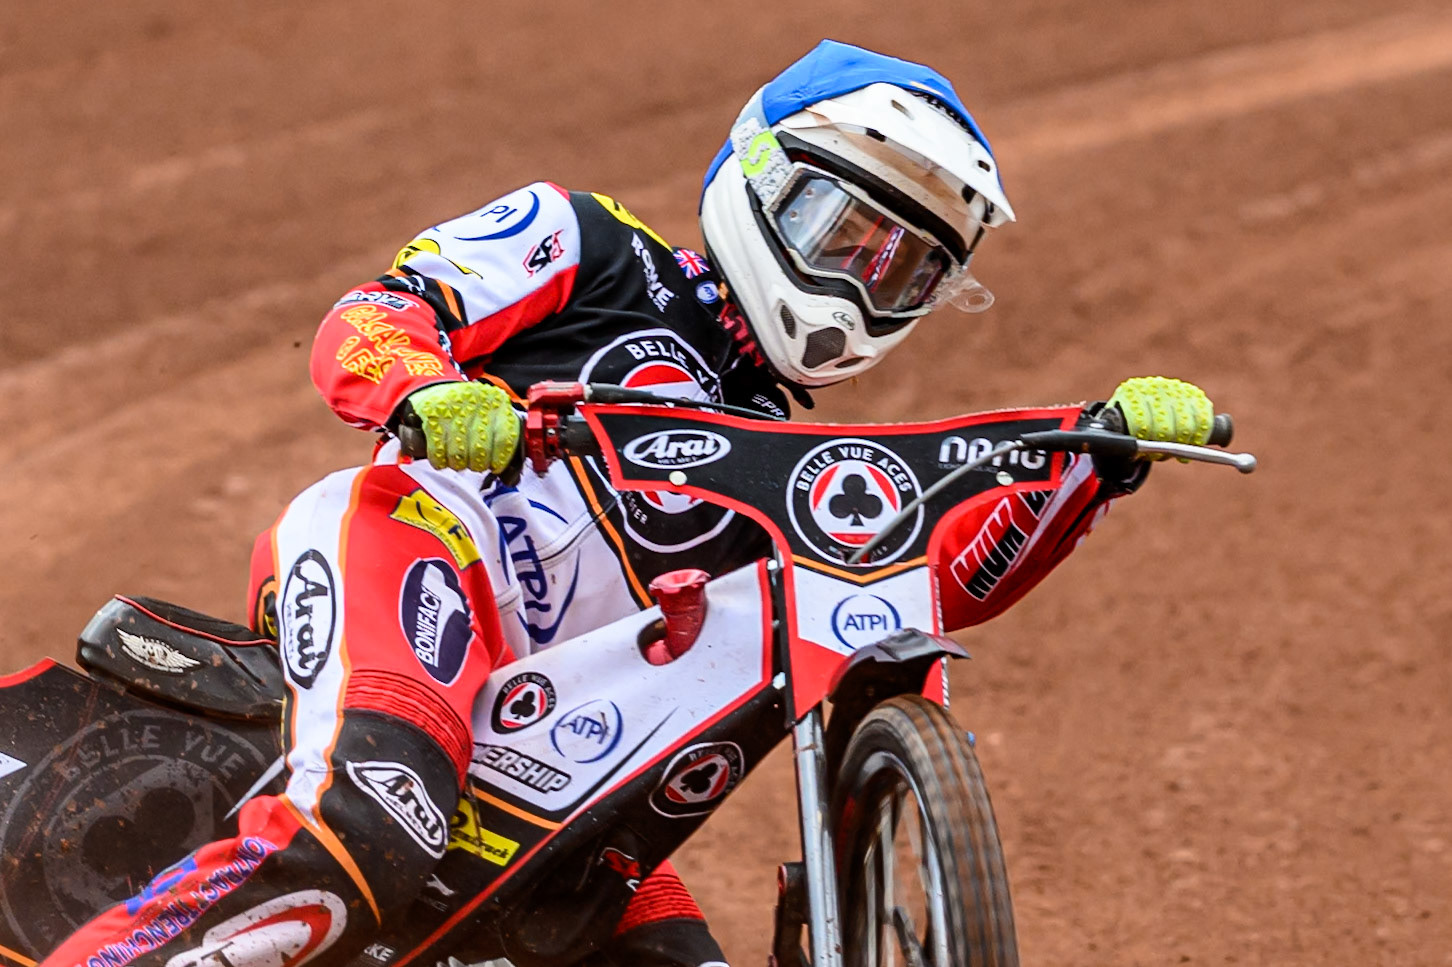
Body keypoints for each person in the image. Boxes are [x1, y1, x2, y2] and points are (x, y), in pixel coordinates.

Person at [41, 40, 1215, 967]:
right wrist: (431, 390)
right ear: (759, 178)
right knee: (362, 830)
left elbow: (930, 575)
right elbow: (374, 315)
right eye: (841, 231)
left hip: (561, 747)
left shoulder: (799, 461)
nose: (858, 283)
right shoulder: (591, 246)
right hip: (415, 555)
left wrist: (1088, 468)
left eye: (902, 268)